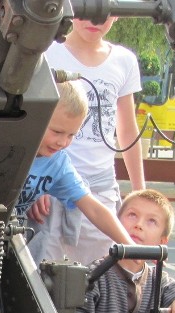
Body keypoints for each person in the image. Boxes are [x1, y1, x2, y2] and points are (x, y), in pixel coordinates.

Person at [44, 17, 145, 265]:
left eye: (105, 10)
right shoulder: (47, 52)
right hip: (51, 183)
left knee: (103, 272)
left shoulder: (123, 60)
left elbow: (127, 128)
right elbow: (28, 119)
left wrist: (140, 190)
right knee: (42, 272)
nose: (95, 19)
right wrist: (34, 182)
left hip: (100, 185)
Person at [15, 80, 133, 263]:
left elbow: (93, 208)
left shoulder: (58, 163)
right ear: (35, 117)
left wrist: (129, 246)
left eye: (71, 135)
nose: (62, 142)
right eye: (56, 132)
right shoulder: (7, 146)